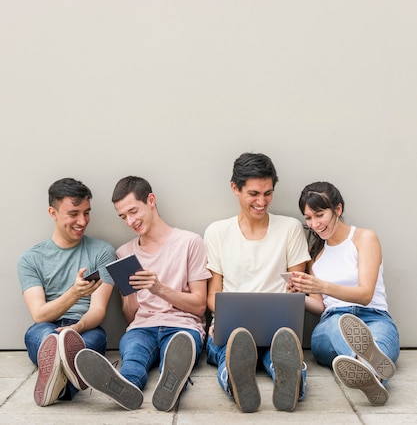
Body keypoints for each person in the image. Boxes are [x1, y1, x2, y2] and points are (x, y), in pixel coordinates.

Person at [74, 175, 211, 412]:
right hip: (141, 327)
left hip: (183, 326)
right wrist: (130, 292)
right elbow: (130, 317)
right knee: (133, 359)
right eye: (123, 216)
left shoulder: (190, 242)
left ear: (151, 200)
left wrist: (159, 289)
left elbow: (199, 307)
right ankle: (124, 385)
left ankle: (172, 383)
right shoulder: (124, 253)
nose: (130, 221)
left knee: (176, 355)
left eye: (133, 211)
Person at [204, 152, 311, 413]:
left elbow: (296, 290)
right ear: (235, 188)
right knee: (229, 352)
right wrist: (218, 319)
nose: (261, 201)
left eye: (268, 193)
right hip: (231, 330)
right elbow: (213, 295)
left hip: (279, 329)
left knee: (280, 354)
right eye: (254, 194)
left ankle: (292, 381)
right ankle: (236, 381)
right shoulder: (217, 232)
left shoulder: (290, 228)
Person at [288, 181, 400, 406]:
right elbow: (320, 307)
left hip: (374, 316)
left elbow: (366, 294)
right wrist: (299, 295)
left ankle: (370, 374)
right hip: (332, 320)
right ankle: (364, 362)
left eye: (319, 215)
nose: (315, 224)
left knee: (378, 345)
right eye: (308, 218)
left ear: (337, 209)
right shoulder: (316, 254)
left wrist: (322, 286)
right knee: (336, 327)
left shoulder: (364, 238)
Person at [17, 178, 116, 407]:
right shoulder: (30, 259)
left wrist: (76, 328)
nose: (82, 221)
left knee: (88, 343)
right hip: (47, 326)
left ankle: (57, 380)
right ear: (53, 213)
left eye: (86, 213)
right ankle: (67, 379)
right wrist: (74, 293)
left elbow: (98, 310)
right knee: (43, 338)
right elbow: (40, 315)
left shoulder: (102, 252)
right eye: (73, 214)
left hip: (85, 326)